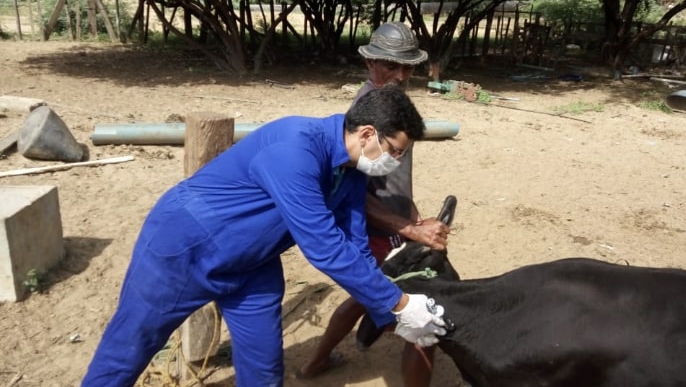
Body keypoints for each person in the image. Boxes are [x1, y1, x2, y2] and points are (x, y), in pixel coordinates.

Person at [81, 86, 448, 387]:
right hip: (184, 248)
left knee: (263, 367)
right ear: (368, 133)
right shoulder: (295, 149)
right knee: (129, 350)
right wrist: (400, 304)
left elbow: (354, 242)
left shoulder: (351, 170)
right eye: (395, 151)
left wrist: (393, 308)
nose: (396, 162)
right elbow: (323, 246)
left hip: (252, 264)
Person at [299, 22, 450, 387]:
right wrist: (411, 229)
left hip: (394, 225)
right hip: (370, 230)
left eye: (407, 67)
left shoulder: (396, 108)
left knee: (362, 297)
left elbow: (393, 180)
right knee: (421, 321)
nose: (400, 75)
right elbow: (354, 195)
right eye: (390, 66)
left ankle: (316, 363)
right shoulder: (367, 116)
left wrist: (414, 217)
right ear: (370, 63)